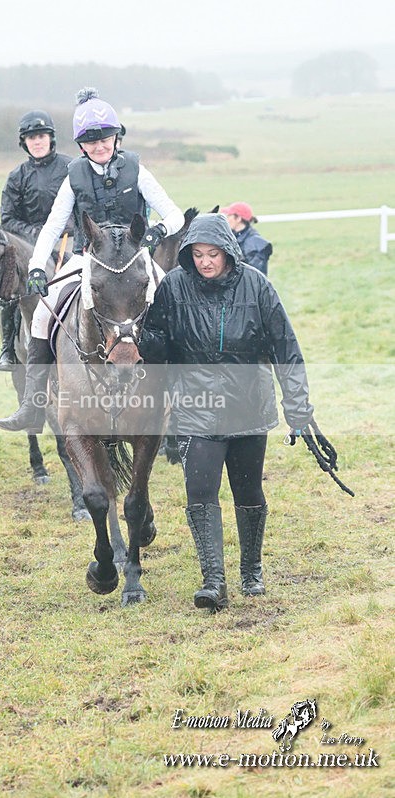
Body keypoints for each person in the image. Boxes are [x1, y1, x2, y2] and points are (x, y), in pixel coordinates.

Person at [138, 212, 314, 612]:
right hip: (195, 407)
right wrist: (144, 335)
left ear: (228, 252)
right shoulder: (173, 287)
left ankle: (251, 570)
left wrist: (298, 410)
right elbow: (157, 346)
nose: (205, 262)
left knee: (248, 491)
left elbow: (287, 350)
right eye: (197, 254)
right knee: (200, 494)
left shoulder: (257, 285)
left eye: (212, 254)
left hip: (248, 404)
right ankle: (212, 580)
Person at [0, 87, 184, 431]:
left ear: (116, 137)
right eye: (91, 141)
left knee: (176, 304)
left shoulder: (138, 170)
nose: (100, 146)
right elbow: (53, 225)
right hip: (90, 260)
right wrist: (37, 266)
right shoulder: (74, 176)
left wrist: (156, 233)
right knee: (39, 317)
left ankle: (183, 399)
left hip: (134, 259)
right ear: (81, 145)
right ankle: (32, 407)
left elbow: (174, 214)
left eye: (105, 138)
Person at [0, 110, 73, 370]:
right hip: (29, 244)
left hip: (68, 238)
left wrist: (62, 230)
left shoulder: (72, 168)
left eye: (41, 136)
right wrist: (37, 234)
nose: (37, 141)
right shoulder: (16, 177)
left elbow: (83, 206)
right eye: (31, 137)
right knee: (11, 286)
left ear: (51, 138)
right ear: (24, 143)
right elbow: (7, 219)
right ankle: (8, 348)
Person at [221, 201, 273, 276]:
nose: (226, 219)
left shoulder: (255, 244)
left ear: (238, 218)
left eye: (229, 216)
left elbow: (255, 278)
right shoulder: (232, 237)